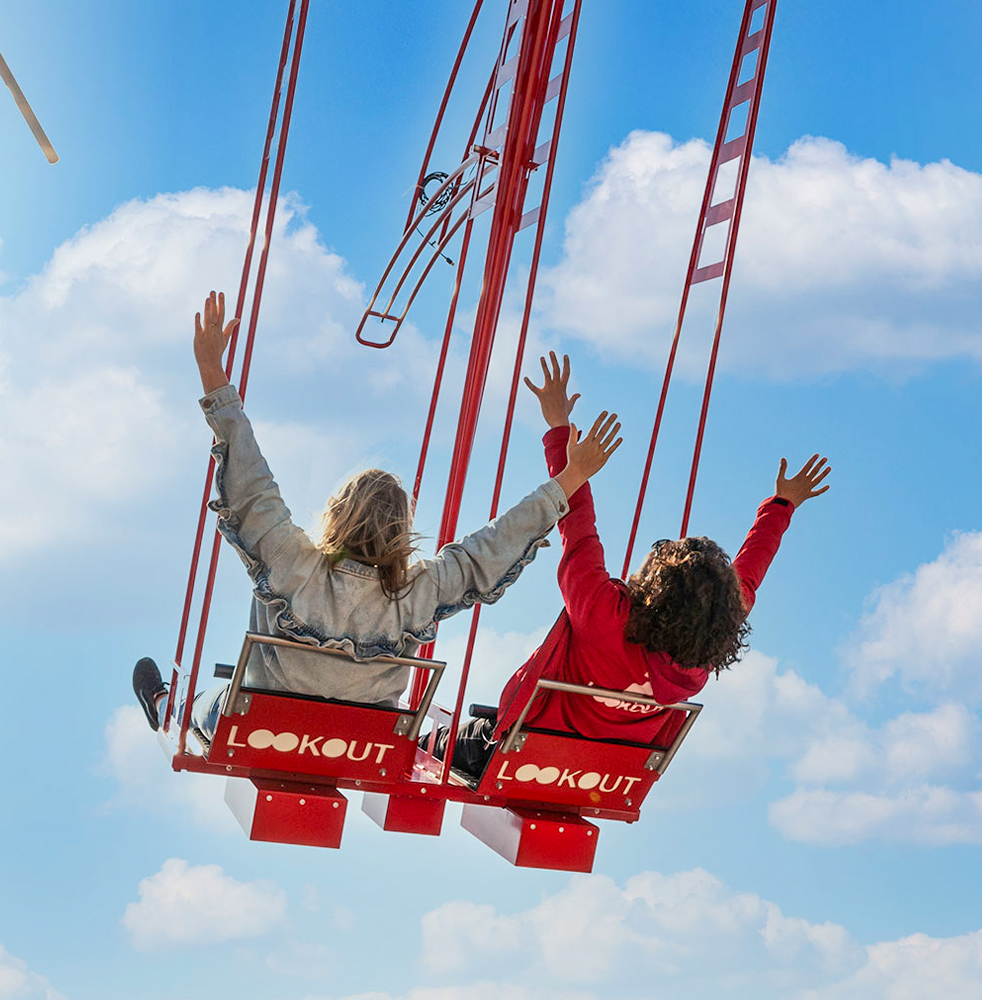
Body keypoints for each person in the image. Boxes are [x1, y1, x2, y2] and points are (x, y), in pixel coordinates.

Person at [133, 292, 624, 747]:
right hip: (364, 739)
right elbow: (493, 547)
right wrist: (570, 475)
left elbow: (249, 481)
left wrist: (211, 372)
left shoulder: (292, 561)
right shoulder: (418, 592)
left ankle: (165, 703)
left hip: (267, 722)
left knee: (204, 707)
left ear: (337, 514)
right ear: (402, 531)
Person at [438, 351, 830, 777]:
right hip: (607, 771)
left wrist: (559, 433)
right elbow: (750, 572)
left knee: (439, 740)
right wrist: (782, 505)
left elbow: (577, 526)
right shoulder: (704, 652)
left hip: (523, 753)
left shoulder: (605, 614)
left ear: (656, 584)